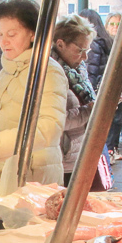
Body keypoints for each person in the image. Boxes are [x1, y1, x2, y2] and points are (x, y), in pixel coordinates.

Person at [0, 0, 68, 184]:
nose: (4, 42)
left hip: (34, 174)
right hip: (5, 171)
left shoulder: (47, 71)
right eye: (0, 35)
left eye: (12, 34)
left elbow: (50, 127)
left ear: (32, 33)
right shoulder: (8, 68)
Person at [86, 9, 122, 163]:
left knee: (116, 120)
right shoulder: (99, 43)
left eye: (118, 24)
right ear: (106, 25)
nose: (115, 27)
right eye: (112, 24)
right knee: (107, 120)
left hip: (121, 88)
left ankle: (112, 148)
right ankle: (107, 150)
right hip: (105, 88)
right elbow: (94, 68)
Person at [51, 15, 96, 186]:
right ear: (60, 44)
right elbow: (57, 120)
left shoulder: (76, 70)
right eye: (80, 50)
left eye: (87, 51)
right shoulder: (51, 73)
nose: (84, 57)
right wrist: (91, 111)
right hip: (62, 157)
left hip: (78, 153)